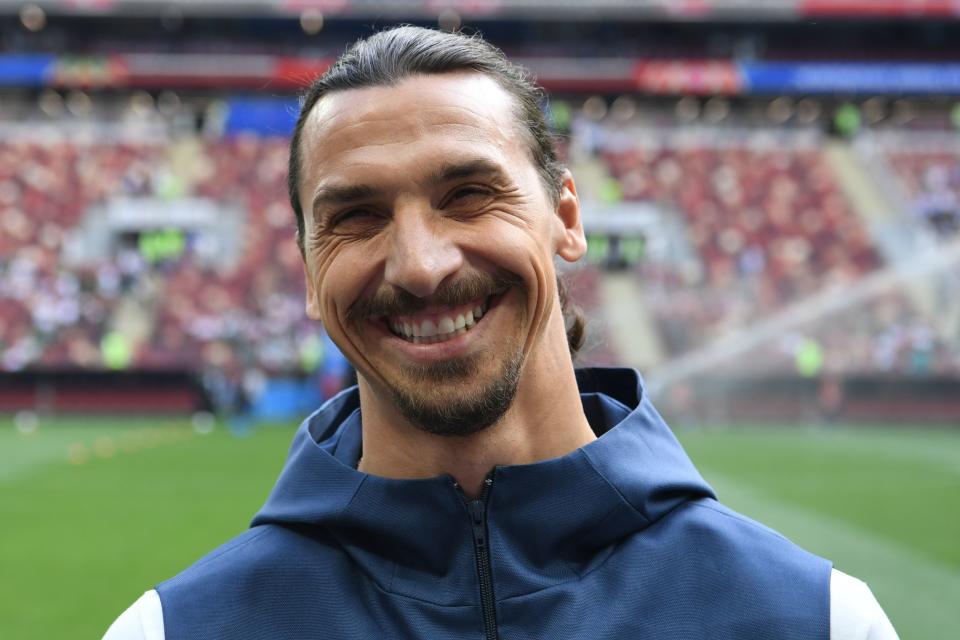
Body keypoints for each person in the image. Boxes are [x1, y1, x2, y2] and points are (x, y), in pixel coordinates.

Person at [104, 26, 897, 639]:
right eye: (356, 217)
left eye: (469, 194)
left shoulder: (814, 620)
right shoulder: (174, 630)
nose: (419, 265)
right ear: (310, 274)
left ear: (566, 219)